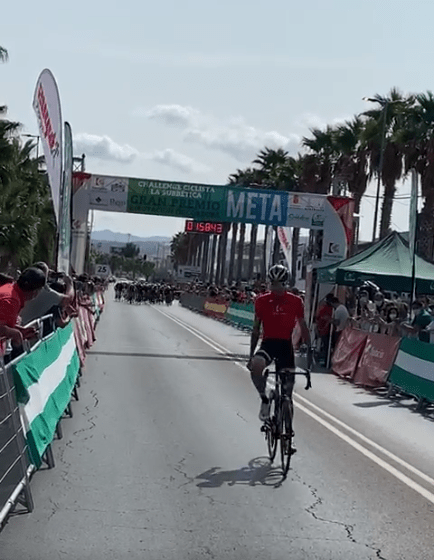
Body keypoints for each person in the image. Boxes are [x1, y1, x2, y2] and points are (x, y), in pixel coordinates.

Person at [248, 264, 310, 423]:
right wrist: (251, 355)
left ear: (285, 284)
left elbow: (303, 325)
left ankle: (287, 427)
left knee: (287, 392)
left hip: (285, 346)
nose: (275, 287)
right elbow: (256, 329)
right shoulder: (261, 300)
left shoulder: (296, 301)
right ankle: (264, 399)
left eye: (278, 284)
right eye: (272, 283)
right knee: (256, 365)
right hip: (268, 343)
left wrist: (308, 348)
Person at [0, 267, 46, 351]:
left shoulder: (11, 289)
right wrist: (13, 333)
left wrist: (21, 331)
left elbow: (3, 323)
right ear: (35, 292)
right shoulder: (11, 300)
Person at [19, 262, 75, 327]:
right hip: (26, 328)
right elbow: (69, 299)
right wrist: (69, 283)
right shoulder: (47, 292)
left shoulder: (21, 284)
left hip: (16, 323)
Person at [315, 294, 334, 365]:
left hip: (325, 329)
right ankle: (326, 361)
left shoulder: (323, 308)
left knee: (325, 346)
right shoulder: (330, 309)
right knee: (326, 346)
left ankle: (326, 361)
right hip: (326, 329)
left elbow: (317, 318)